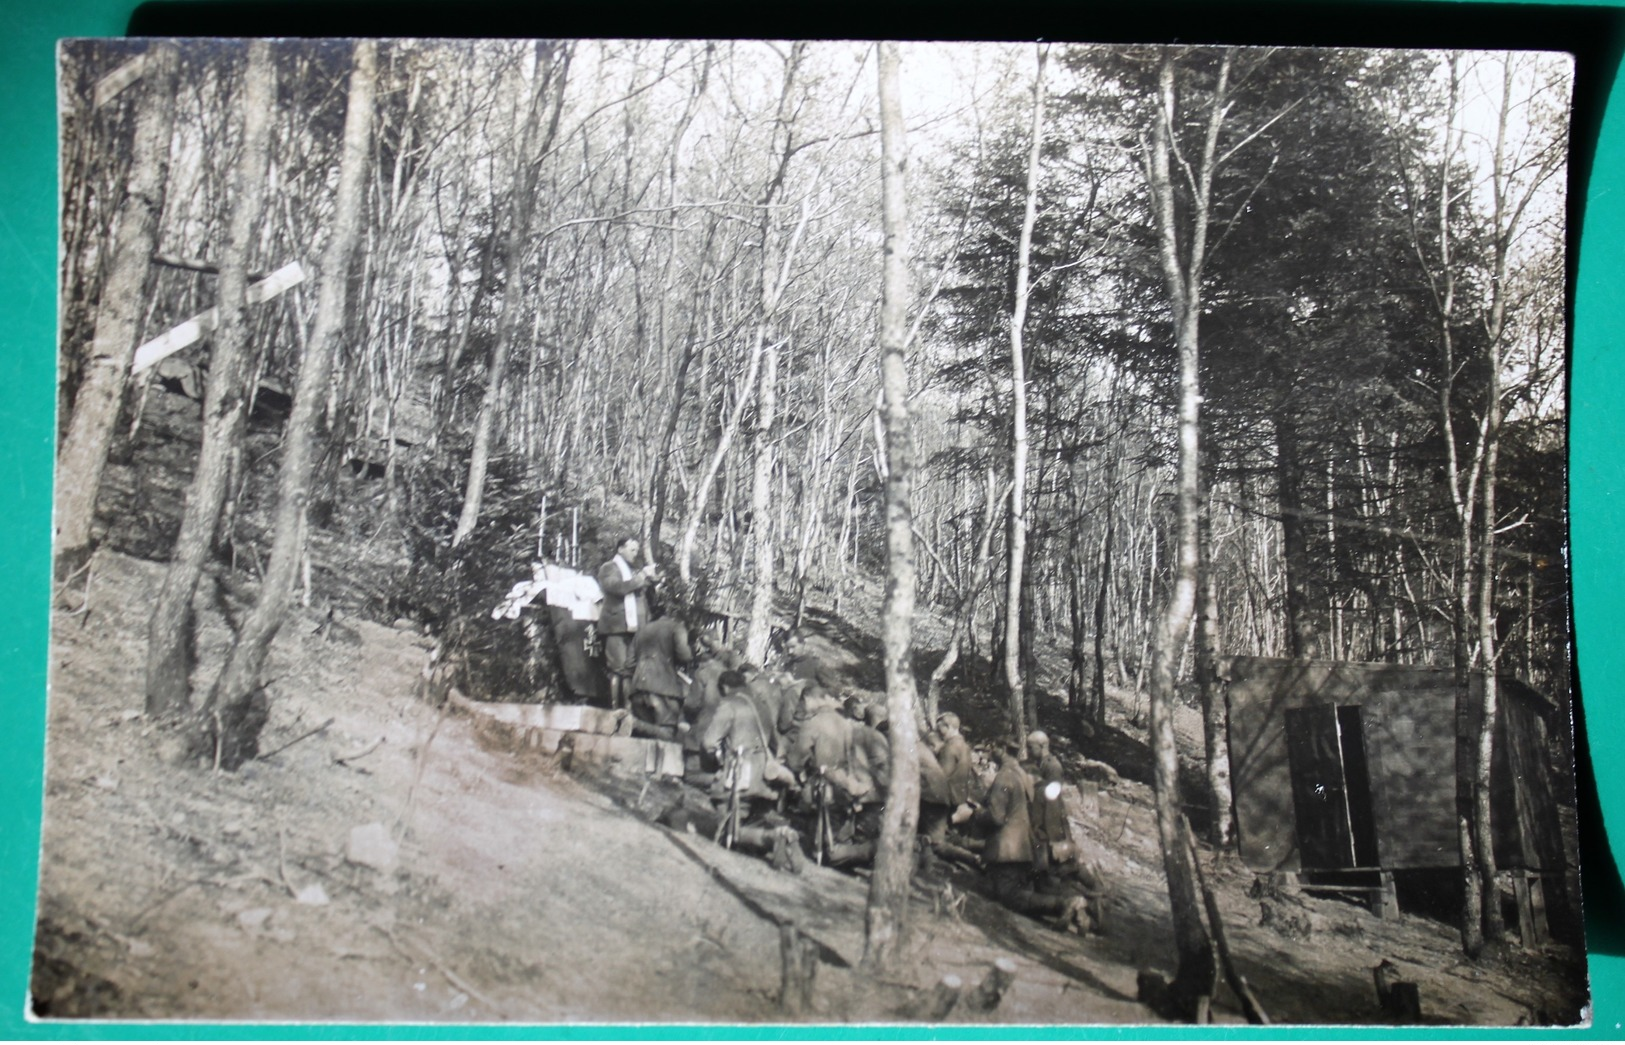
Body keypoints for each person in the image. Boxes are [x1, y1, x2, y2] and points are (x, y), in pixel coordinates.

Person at [978, 739, 1088, 930]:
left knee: (1009, 896)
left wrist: (976, 815)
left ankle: (1067, 905)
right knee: (1000, 889)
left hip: (1010, 849)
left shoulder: (1006, 776)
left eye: (992, 747)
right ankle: (1080, 910)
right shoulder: (1022, 773)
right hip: (1024, 846)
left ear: (1003, 749)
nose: (990, 751)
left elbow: (996, 817)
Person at [597, 535, 656, 710]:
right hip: (616, 626)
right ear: (620, 549)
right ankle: (616, 708)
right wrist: (641, 577)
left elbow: (642, 599)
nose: (635, 554)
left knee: (630, 669)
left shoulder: (632, 571)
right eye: (632, 550)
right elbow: (618, 587)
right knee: (618, 668)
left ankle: (629, 710)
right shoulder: (608, 568)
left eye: (637, 550)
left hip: (635, 628)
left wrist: (652, 582)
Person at [627, 613, 692, 739]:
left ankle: (635, 724)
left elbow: (629, 663)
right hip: (663, 689)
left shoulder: (642, 629)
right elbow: (684, 656)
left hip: (638, 688)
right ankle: (634, 724)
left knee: (643, 738)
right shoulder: (677, 627)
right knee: (667, 734)